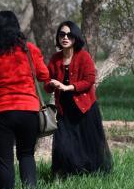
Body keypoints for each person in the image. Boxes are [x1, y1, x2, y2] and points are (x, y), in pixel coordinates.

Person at [0, 11, 50, 189]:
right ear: (16, 28)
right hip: (28, 111)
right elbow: (44, 75)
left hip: (1, 113)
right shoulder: (30, 50)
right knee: (26, 155)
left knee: (5, 162)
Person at [46, 20, 112, 176]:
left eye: (69, 35)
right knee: (63, 144)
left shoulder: (84, 56)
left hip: (85, 108)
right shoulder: (55, 58)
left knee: (87, 144)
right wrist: (51, 84)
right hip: (63, 109)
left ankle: (88, 174)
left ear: (75, 37)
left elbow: (89, 80)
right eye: (62, 34)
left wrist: (68, 87)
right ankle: (65, 174)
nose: (65, 38)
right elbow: (47, 83)